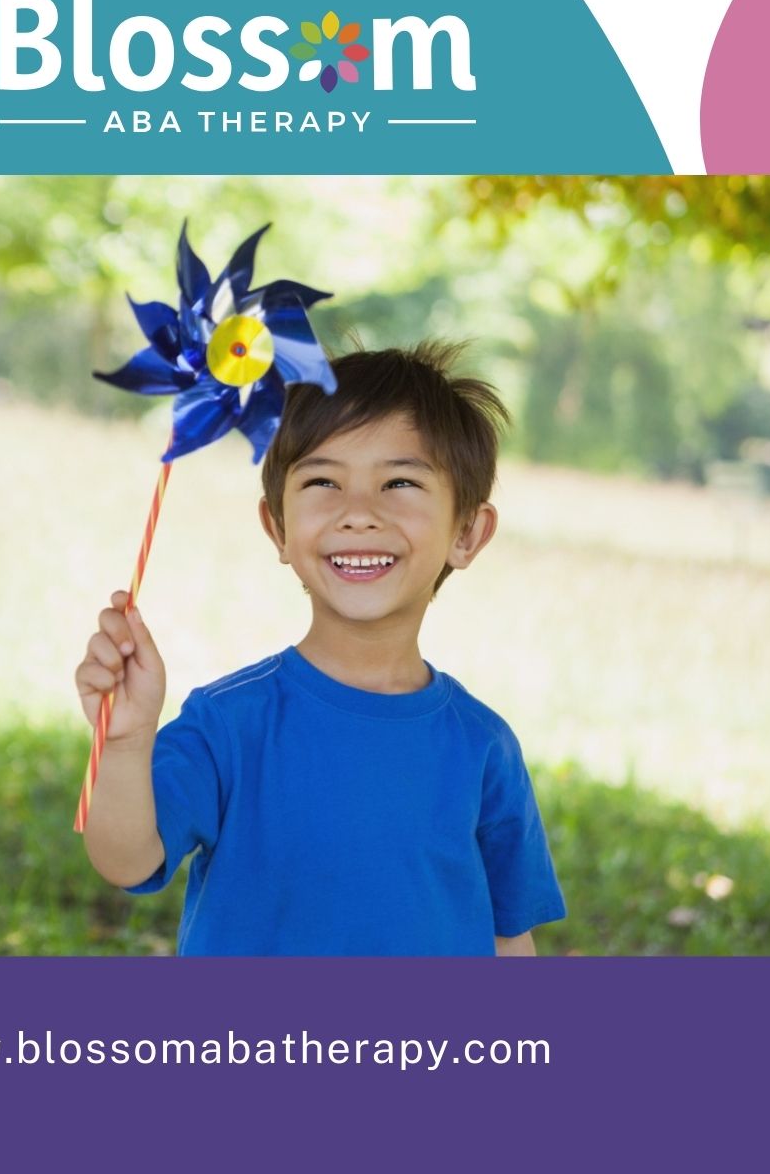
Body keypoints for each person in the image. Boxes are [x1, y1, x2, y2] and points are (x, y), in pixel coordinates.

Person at [72, 340, 565, 955]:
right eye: (324, 481)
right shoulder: (227, 723)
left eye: (400, 482)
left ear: (467, 533)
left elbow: (508, 936)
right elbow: (126, 859)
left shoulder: (483, 745)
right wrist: (122, 742)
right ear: (277, 526)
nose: (358, 513)